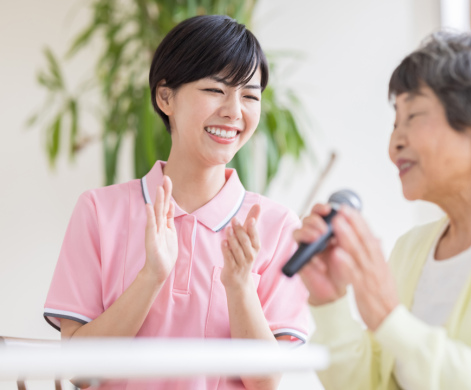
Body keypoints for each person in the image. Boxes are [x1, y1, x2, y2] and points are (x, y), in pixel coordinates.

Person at [295, 31, 471, 389]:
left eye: (414, 115)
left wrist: (390, 319)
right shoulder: (411, 249)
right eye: (394, 122)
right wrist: (331, 302)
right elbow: (370, 385)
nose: (395, 142)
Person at [43, 15, 308, 390]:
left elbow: (265, 382)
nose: (235, 110)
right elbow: (80, 372)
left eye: (250, 95)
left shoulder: (275, 226)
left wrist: (240, 288)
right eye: (216, 90)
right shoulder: (99, 211)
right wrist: (151, 275)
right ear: (165, 96)